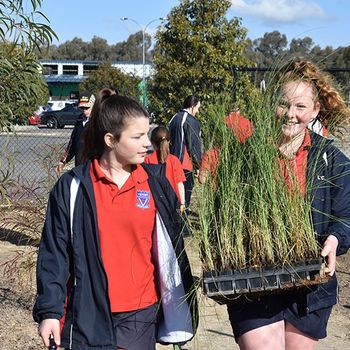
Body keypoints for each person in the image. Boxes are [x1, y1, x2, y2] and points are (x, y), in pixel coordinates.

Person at [33, 90, 198, 350]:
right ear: (110, 139)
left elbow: (173, 249)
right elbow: (54, 254)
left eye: (147, 134)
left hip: (140, 315)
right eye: (137, 136)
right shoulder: (73, 187)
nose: (147, 143)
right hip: (87, 312)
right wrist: (50, 312)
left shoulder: (155, 183)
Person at [226, 59, 350, 350]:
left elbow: (345, 216)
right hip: (255, 282)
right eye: (283, 104)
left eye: (300, 107)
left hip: (310, 285)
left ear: (316, 110)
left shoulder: (332, 161)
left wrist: (334, 239)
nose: (290, 115)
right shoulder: (245, 157)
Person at [198, 110, 253, 184]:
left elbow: (202, 180)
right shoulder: (247, 123)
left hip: (216, 191)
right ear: (239, 109)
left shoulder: (210, 155)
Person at [168, 95, 203, 208]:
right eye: (197, 108)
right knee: (185, 198)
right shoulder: (191, 121)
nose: (197, 111)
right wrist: (198, 166)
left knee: (174, 196)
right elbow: (194, 146)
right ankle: (182, 223)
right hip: (185, 165)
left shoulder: (174, 118)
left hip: (171, 162)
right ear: (192, 106)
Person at [144, 126, 186, 211]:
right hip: (173, 203)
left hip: (155, 203)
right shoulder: (174, 160)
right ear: (169, 141)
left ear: (152, 142)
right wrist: (182, 203)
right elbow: (180, 185)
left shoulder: (147, 160)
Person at [55, 91, 96, 174]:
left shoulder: (98, 121)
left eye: (87, 108)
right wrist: (63, 161)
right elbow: (72, 143)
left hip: (94, 167)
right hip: (79, 165)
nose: (85, 111)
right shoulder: (79, 120)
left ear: (94, 106)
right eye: (82, 108)